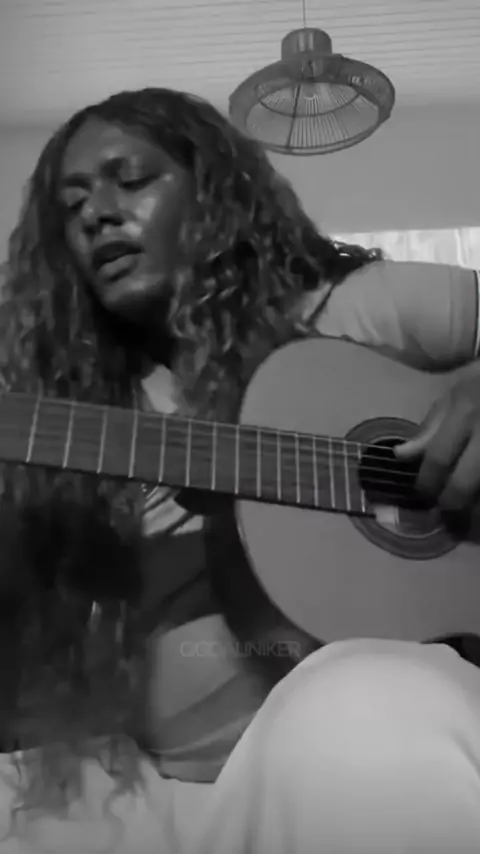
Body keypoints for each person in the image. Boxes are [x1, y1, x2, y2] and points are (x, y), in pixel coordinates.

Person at [0, 86, 480, 853]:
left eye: (132, 180)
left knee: (370, 705)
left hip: (344, 755)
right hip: (160, 800)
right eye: (73, 205)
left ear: (209, 190)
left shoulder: (349, 312)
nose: (97, 214)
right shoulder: (65, 410)